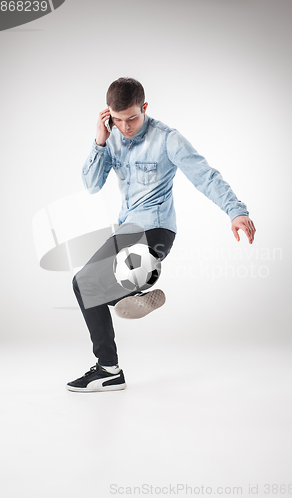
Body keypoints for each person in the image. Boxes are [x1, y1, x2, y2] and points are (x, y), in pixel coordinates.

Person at [67, 77, 256, 393]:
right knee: (83, 284)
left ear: (144, 107)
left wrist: (236, 211)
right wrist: (99, 141)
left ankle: (140, 279)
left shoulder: (168, 139)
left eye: (132, 118)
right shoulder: (110, 137)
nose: (125, 127)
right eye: (117, 120)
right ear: (108, 115)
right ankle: (109, 368)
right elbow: (91, 185)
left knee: (131, 267)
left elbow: (205, 177)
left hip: (156, 228)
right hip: (126, 229)